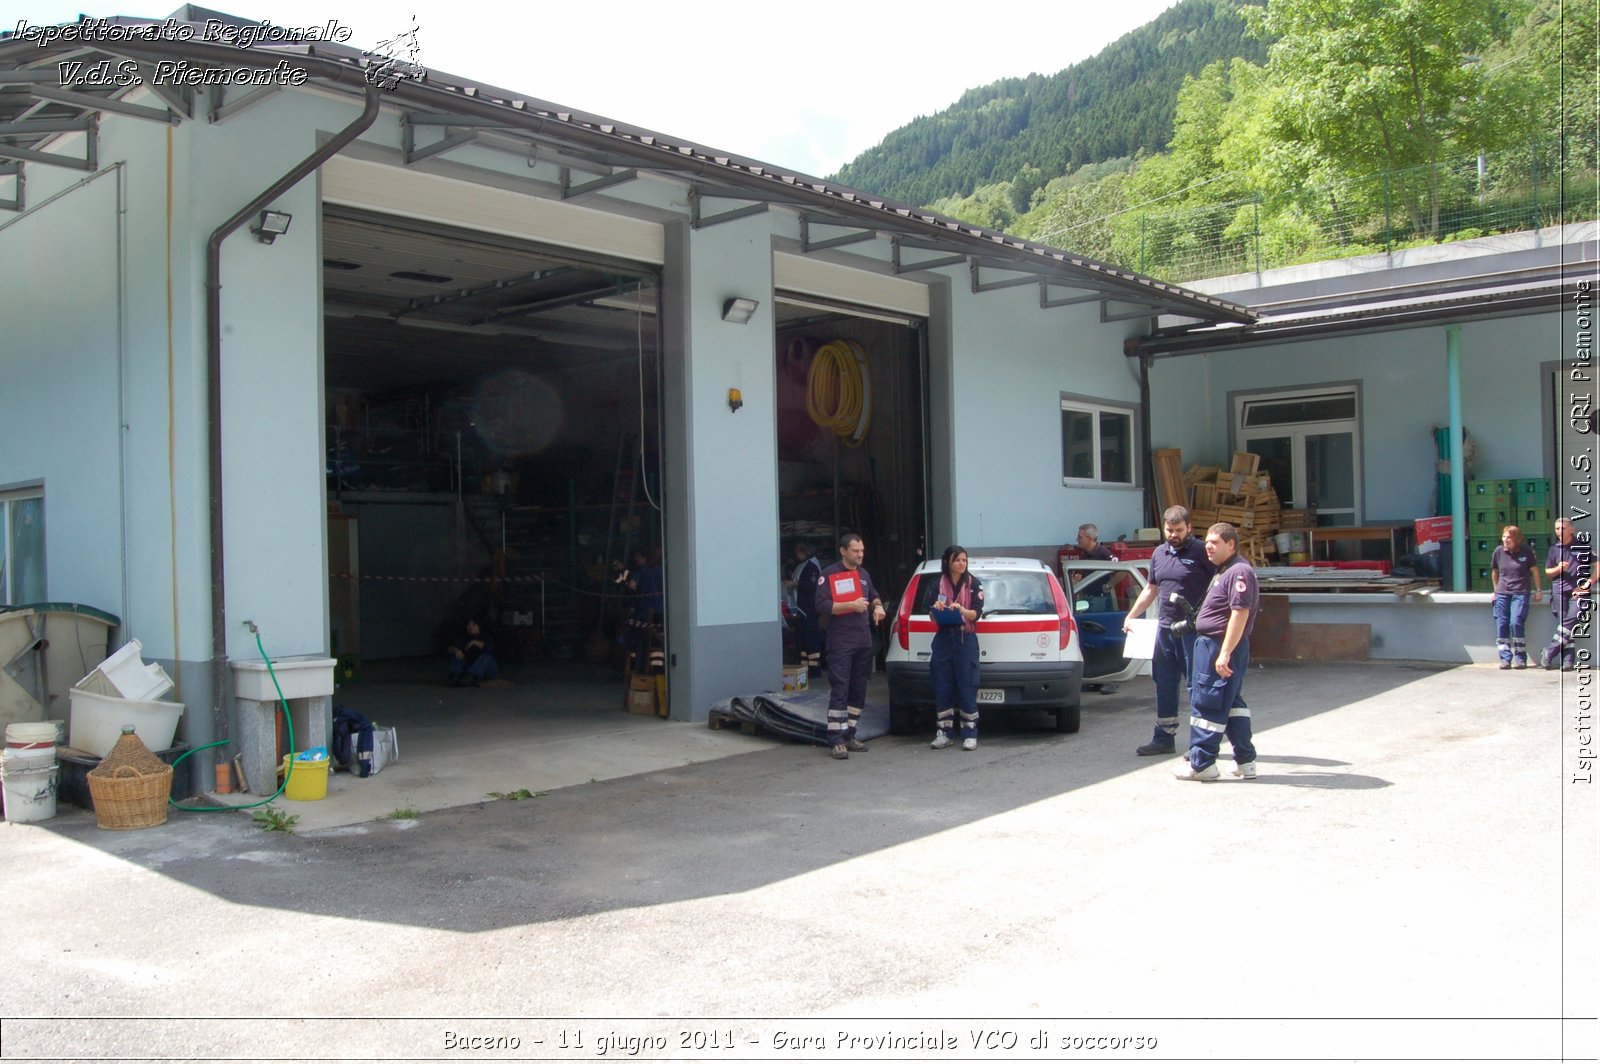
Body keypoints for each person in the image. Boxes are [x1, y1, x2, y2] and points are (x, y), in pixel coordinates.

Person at [1123, 506, 1215, 756]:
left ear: (1189, 528)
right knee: (1164, 684)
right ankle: (1164, 738)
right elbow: (1150, 589)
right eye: (1169, 530)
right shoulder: (1159, 553)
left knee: (1196, 686)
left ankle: (1201, 744)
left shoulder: (1201, 552)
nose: (1173, 535)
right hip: (1164, 630)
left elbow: (1218, 586)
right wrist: (1131, 615)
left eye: (1178, 530)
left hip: (1192, 631)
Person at [1174, 522, 1259, 782]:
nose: (1208, 547)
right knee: (1231, 702)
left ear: (1231, 544)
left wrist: (1224, 653)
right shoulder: (1225, 570)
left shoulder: (1239, 572)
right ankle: (1246, 761)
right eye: (1207, 542)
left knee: (1208, 702)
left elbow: (1239, 613)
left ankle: (1202, 765)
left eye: (1214, 542)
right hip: (1214, 645)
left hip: (1219, 646)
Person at [814, 531, 886, 760]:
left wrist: (878, 607)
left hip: (863, 641)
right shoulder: (829, 575)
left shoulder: (864, 575)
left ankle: (850, 733)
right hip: (840, 642)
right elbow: (822, 606)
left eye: (862, 550)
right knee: (840, 688)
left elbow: (873, 595)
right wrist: (849, 605)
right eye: (855, 551)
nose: (860, 554)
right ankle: (836, 739)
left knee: (859, 689)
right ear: (843, 551)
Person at [929, 545, 985, 751]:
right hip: (944, 639)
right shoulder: (937, 585)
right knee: (942, 684)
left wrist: (962, 610)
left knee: (967, 685)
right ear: (948, 562)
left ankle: (970, 733)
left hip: (965, 640)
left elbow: (976, 614)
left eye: (964, 560)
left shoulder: (974, 585)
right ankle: (944, 733)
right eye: (958, 560)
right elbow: (931, 614)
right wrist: (937, 610)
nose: (962, 563)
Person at [1540, 518, 1590, 670]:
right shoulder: (1554, 549)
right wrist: (1558, 569)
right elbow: (1547, 572)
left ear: (1572, 530)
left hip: (1578, 591)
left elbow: (1597, 566)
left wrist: (1587, 584)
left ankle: (1550, 650)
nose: (1559, 531)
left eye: (1562, 528)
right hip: (1559, 589)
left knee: (1570, 620)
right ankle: (1568, 659)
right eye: (1556, 529)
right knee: (1565, 625)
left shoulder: (1582, 547)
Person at [1490, 525, 1542, 669]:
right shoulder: (1498, 552)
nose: (1506, 540)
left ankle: (1520, 658)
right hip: (1502, 593)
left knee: (1516, 622)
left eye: (1509, 537)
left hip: (1520, 593)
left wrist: (1538, 589)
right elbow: (1494, 571)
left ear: (1517, 539)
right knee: (1502, 624)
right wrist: (1495, 591)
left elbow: (1535, 571)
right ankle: (1505, 658)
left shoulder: (1526, 551)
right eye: (1504, 537)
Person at [785, 542, 824, 676]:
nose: (797, 556)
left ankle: (814, 670)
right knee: (803, 639)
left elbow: (812, 585)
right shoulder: (803, 566)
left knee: (810, 638)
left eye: (799, 553)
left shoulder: (812, 566)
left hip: (810, 609)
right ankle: (805, 668)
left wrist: (795, 584)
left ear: (805, 552)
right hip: (802, 609)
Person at [624, 547, 664, 673]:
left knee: (637, 639)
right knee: (658, 642)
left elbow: (632, 585)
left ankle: (637, 668)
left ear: (645, 558)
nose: (636, 559)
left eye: (638, 556)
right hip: (661, 612)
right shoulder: (661, 570)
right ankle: (658, 670)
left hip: (644, 613)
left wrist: (625, 577)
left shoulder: (642, 570)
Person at [446, 618, 498, 687]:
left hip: (487, 669)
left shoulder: (486, 637)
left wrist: (474, 642)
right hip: (469, 666)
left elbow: (490, 649)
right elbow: (450, 648)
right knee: (456, 655)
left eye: (474, 625)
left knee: (486, 656)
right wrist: (456, 650)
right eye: (469, 625)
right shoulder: (464, 637)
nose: (471, 627)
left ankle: (472, 675)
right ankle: (455, 675)